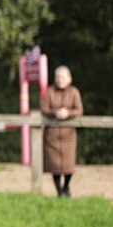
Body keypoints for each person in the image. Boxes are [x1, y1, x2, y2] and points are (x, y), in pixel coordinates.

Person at [41, 65, 84, 197]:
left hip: (68, 135)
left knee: (68, 165)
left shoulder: (74, 92)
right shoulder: (49, 92)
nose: (60, 80)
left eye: (63, 77)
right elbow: (44, 109)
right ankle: (59, 191)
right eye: (58, 77)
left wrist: (68, 113)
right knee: (54, 165)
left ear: (69, 78)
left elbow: (79, 110)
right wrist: (55, 113)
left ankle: (66, 186)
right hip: (52, 135)